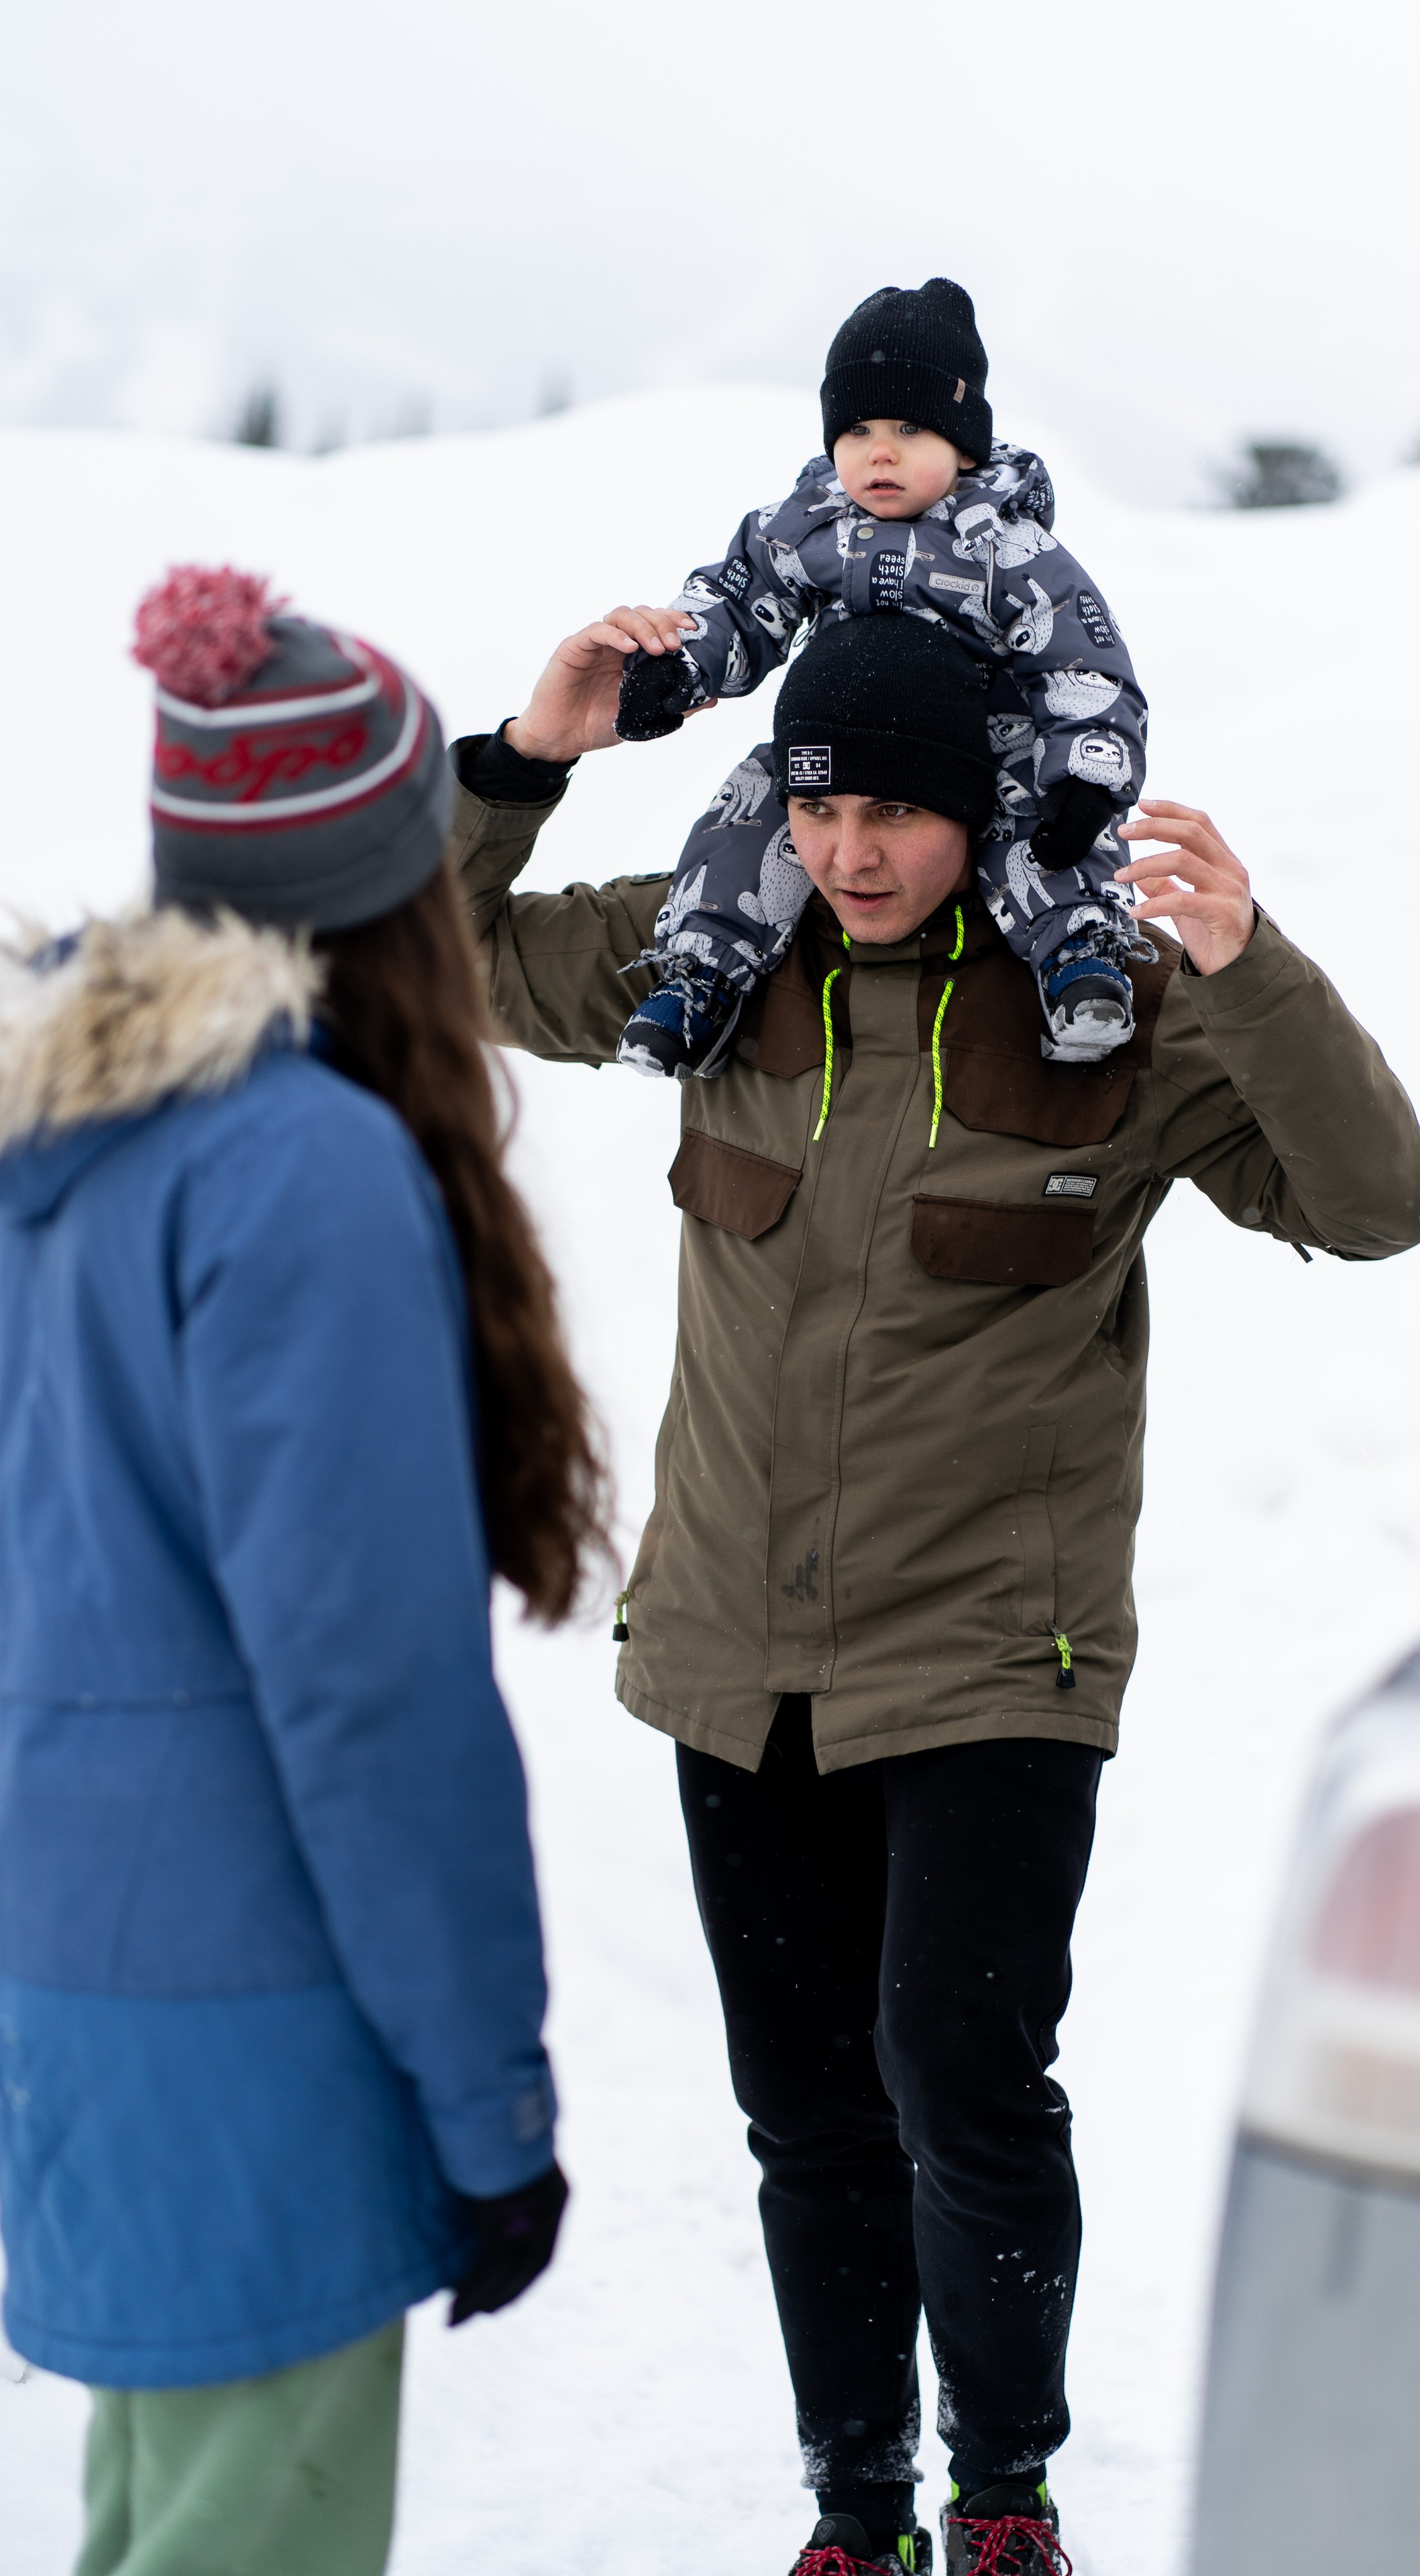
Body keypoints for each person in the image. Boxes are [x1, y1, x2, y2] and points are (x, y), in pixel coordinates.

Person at [449, 603, 1420, 2576]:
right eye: (820, 809)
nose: (851, 852)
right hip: (735, 1648)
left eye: (895, 812)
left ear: (978, 807)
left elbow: (1371, 1202)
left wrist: (1248, 967)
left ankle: (1001, 2498)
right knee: (807, 2106)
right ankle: (853, 2507)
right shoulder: (713, 947)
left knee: (959, 2077)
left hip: (996, 1650)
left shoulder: (1107, 997)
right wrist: (525, 759)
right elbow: (435, 959)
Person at [0, 565, 602, 2576]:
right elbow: (368, 1693)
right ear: (391, 884)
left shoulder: (68, 1141)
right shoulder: (299, 1166)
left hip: (81, 1987)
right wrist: (491, 2107)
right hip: (257, 2006)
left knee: (162, 2521)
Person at [608, 278, 1149, 1078]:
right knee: (755, 811)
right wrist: (678, 665)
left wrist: (1086, 772)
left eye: (909, 428)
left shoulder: (1007, 547)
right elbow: (737, 600)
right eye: (856, 429)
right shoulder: (805, 525)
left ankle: (1080, 961)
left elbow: (1080, 661)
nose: (879, 451)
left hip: (982, 749)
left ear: (965, 446)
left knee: (1040, 826)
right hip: (838, 741)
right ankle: (700, 977)